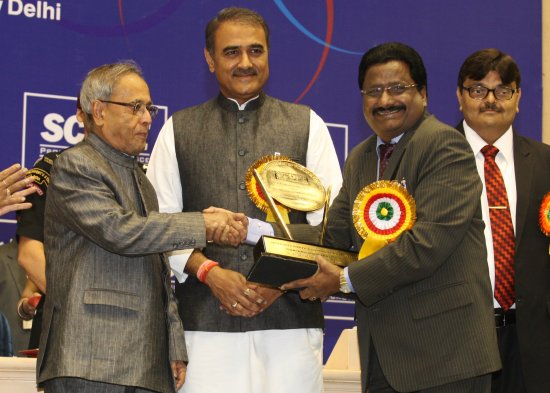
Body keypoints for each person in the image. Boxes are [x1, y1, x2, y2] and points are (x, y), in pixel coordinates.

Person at [282, 42, 501, 393]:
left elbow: (426, 246)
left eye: (398, 88)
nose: (385, 101)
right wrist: (262, 235)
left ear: (424, 94)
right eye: (374, 91)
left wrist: (342, 280)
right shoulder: (361, 157)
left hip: (446, 357)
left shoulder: (445, 147)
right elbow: (333, 237)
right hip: (382, 357)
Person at [146, 7, 342, 393]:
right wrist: (210, 273)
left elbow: (332, 228)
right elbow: (158, 226)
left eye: (256, 51)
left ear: (269, 54)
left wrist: (278, 284)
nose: (245, 63)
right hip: (204, 324)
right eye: (231, 52)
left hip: (290, 323)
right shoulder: (178, 130)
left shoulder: (307, 125)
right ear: (210, 59)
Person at [36, 61, 248, 393]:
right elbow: (121, 232)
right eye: (135, 107)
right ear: (100, 111)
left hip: (145, 363)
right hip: (91, 358)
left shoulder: (142, 181)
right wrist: (203, 225)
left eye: (148, 108)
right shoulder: (75, 165)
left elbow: (162, 272)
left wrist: (174, 346)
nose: (148, 118)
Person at [455, 48, 550, 393]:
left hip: (534, 346)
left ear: (518, 97)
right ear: (460, 97)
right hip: (458, 341)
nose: (491, 100)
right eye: (478, 90)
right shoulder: (434, 159)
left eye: (503, 90)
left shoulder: (545, 163)